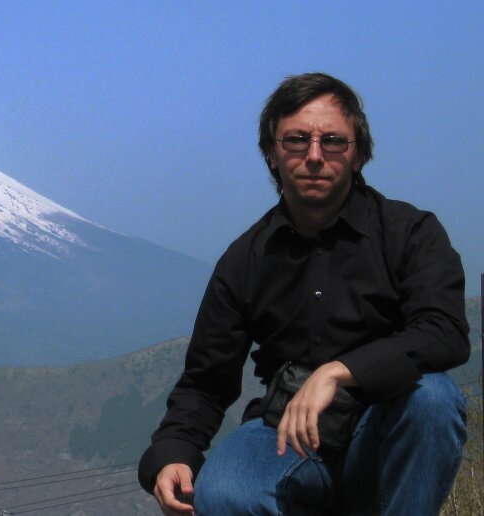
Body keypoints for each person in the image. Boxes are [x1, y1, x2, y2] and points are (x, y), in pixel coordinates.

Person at [137, 72, 469, 515]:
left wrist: (339, 371)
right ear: (272, 154)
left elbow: (444, 332)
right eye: (296, 140)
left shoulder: (410, 233)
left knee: (433, 398)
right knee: (223, 492)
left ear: (358, 154)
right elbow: (206, 381)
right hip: (282, 433)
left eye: (333, 141)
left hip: (383, 429)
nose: (315, 155)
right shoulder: (247, 258)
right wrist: (173, 453)